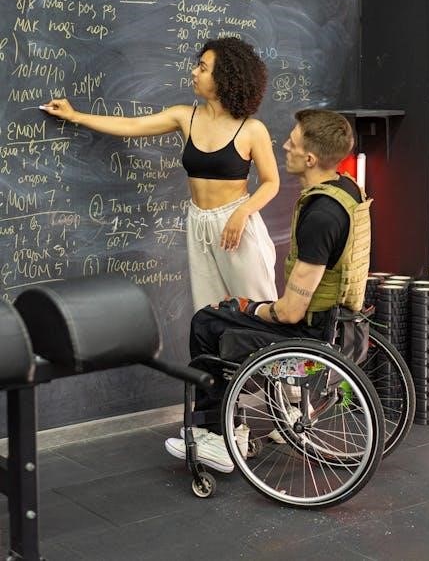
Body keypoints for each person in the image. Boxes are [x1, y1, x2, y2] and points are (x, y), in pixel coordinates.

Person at [164, 108, 372, 473]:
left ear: (310, 158)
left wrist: (249, 307)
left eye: (292, 142)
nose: (284, 146)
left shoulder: (320, 216)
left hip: (309, 330)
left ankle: (216, 437)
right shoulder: (347, 190)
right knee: (223, 314)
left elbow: (289, 312)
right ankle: (251, 419)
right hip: (337, 318)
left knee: (207, 322)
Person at [40, 37, 279, 311]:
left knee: (258, 308)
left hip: (236, 224)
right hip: (198, 222)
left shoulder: (252, 130)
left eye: (203, 68)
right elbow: (132, 126)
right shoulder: (185, 116)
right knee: (210, 311)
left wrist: (242, 213)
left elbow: (271, 182)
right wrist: (75, 116)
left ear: (224, 78)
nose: (194, 72)